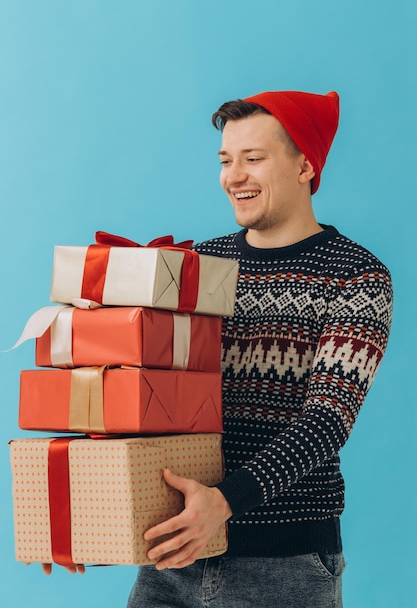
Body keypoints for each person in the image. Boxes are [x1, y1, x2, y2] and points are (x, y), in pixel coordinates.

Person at [125, 90, 393, 606]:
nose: (234, 176)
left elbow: (327, 420)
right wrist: (84, 516)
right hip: (171, 557)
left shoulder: (355, 276)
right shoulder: (197, 266)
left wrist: (224, 503)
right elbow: (138, 387)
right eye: (226, 160)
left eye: (254, 158)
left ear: (304, 166)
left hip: (284, 567)